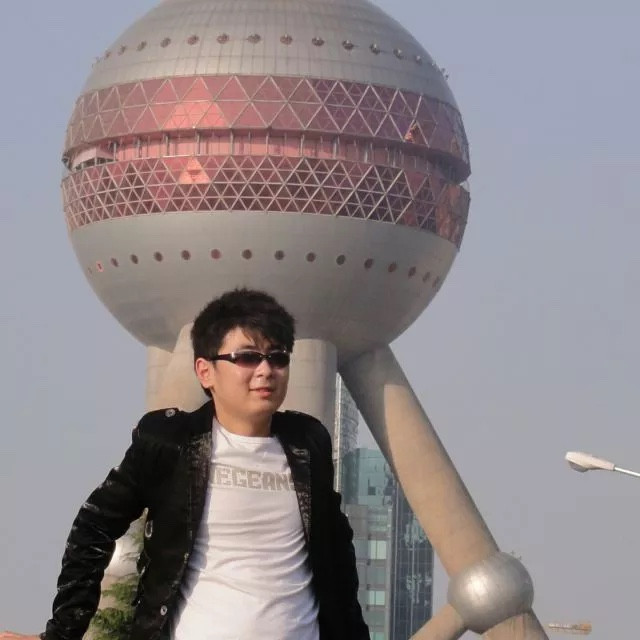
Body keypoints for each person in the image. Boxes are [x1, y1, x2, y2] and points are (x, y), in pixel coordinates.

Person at [1, 288, 369, 640]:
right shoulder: (168, 443)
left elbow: (338, 559)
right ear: (205, 371)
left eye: (278, 357)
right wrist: (63, 632)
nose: (266, 370)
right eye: (247, 357)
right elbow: (93, 525)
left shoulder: (308, 445)